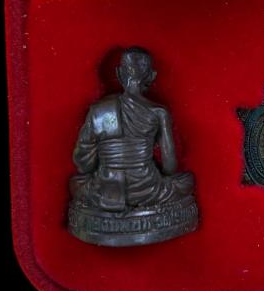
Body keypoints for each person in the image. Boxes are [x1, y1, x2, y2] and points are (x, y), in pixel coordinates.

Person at [70, 47, 194, 212]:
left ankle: (111, 209)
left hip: (105, 190)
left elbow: (83, 164)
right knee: (186, 181)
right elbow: (170, 167)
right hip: (149, 190)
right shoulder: (158, 112)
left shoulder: (99, 110)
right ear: (151, 76)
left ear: (119, 73)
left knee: (76, 183)